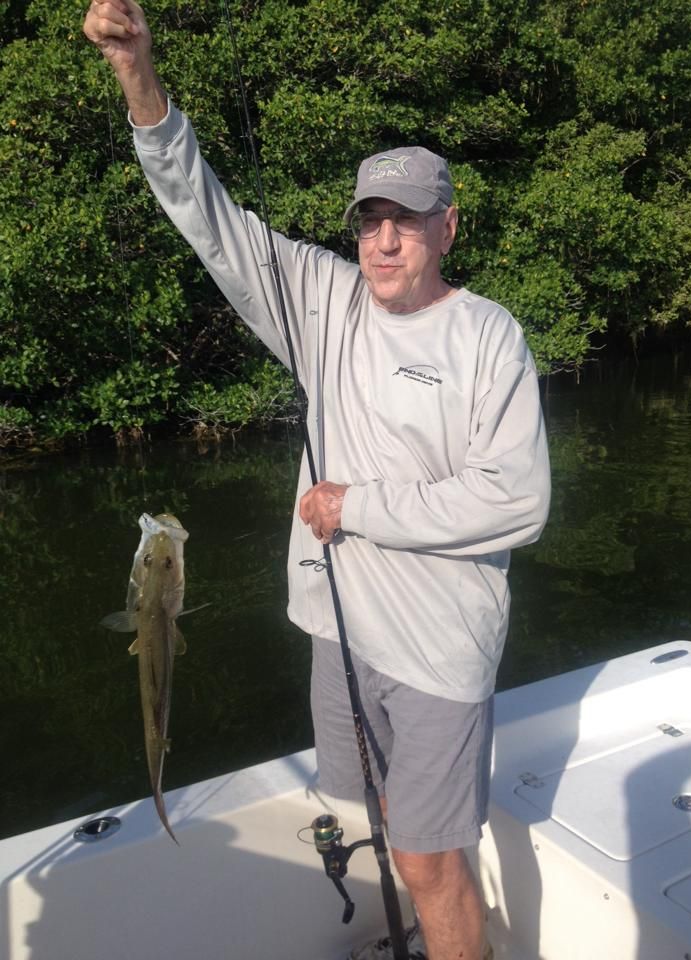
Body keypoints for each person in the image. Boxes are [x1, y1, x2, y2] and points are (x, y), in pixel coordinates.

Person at [84, 3, 551, 957]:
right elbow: (205, 212)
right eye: (369, 220)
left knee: (428, 858)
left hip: (436, 651)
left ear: (447, 225)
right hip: (339, 633)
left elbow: (519, 501)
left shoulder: (489, 335)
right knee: (376, 814)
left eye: (406, 220)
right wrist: (140, 76)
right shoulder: (321, 300)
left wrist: (357, 508)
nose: (383, 241)